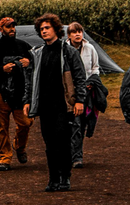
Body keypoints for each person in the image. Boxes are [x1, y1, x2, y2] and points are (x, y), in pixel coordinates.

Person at [26, 13, 86, 192]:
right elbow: (31, 79)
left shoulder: (68, 52)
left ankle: (65, 177)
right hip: (45, 106)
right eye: (41, 29)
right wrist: (27, 101)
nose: (44, 31)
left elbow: (79, 77)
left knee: (63, 141)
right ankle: (53, 178)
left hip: (63, 105)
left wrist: (79, 100)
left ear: (56, 29)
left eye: (47, 28)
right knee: (49, 143)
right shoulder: (38, 53)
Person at [0, 17, 32, 171]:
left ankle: (19, 146)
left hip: (19, 93)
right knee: (1, 126)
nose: (12, 29)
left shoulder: (23, 46)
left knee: (25, 122)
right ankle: (4, 158)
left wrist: (29, 62)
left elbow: (35, 62)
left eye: (13, 27)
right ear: (1, 29)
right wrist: (1, 69)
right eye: (9, 27)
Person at [68, 22, 102, 167]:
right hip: (70, 91)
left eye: (80, 31)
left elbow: (95, 67)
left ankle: (76, 155)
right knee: (73, 123)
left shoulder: (90, 48)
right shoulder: (65, 50)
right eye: (74, 32)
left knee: (81, 123)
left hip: (86, 90)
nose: (78, 34)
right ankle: (75, 157)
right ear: (69, 35)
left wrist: (92, 82)